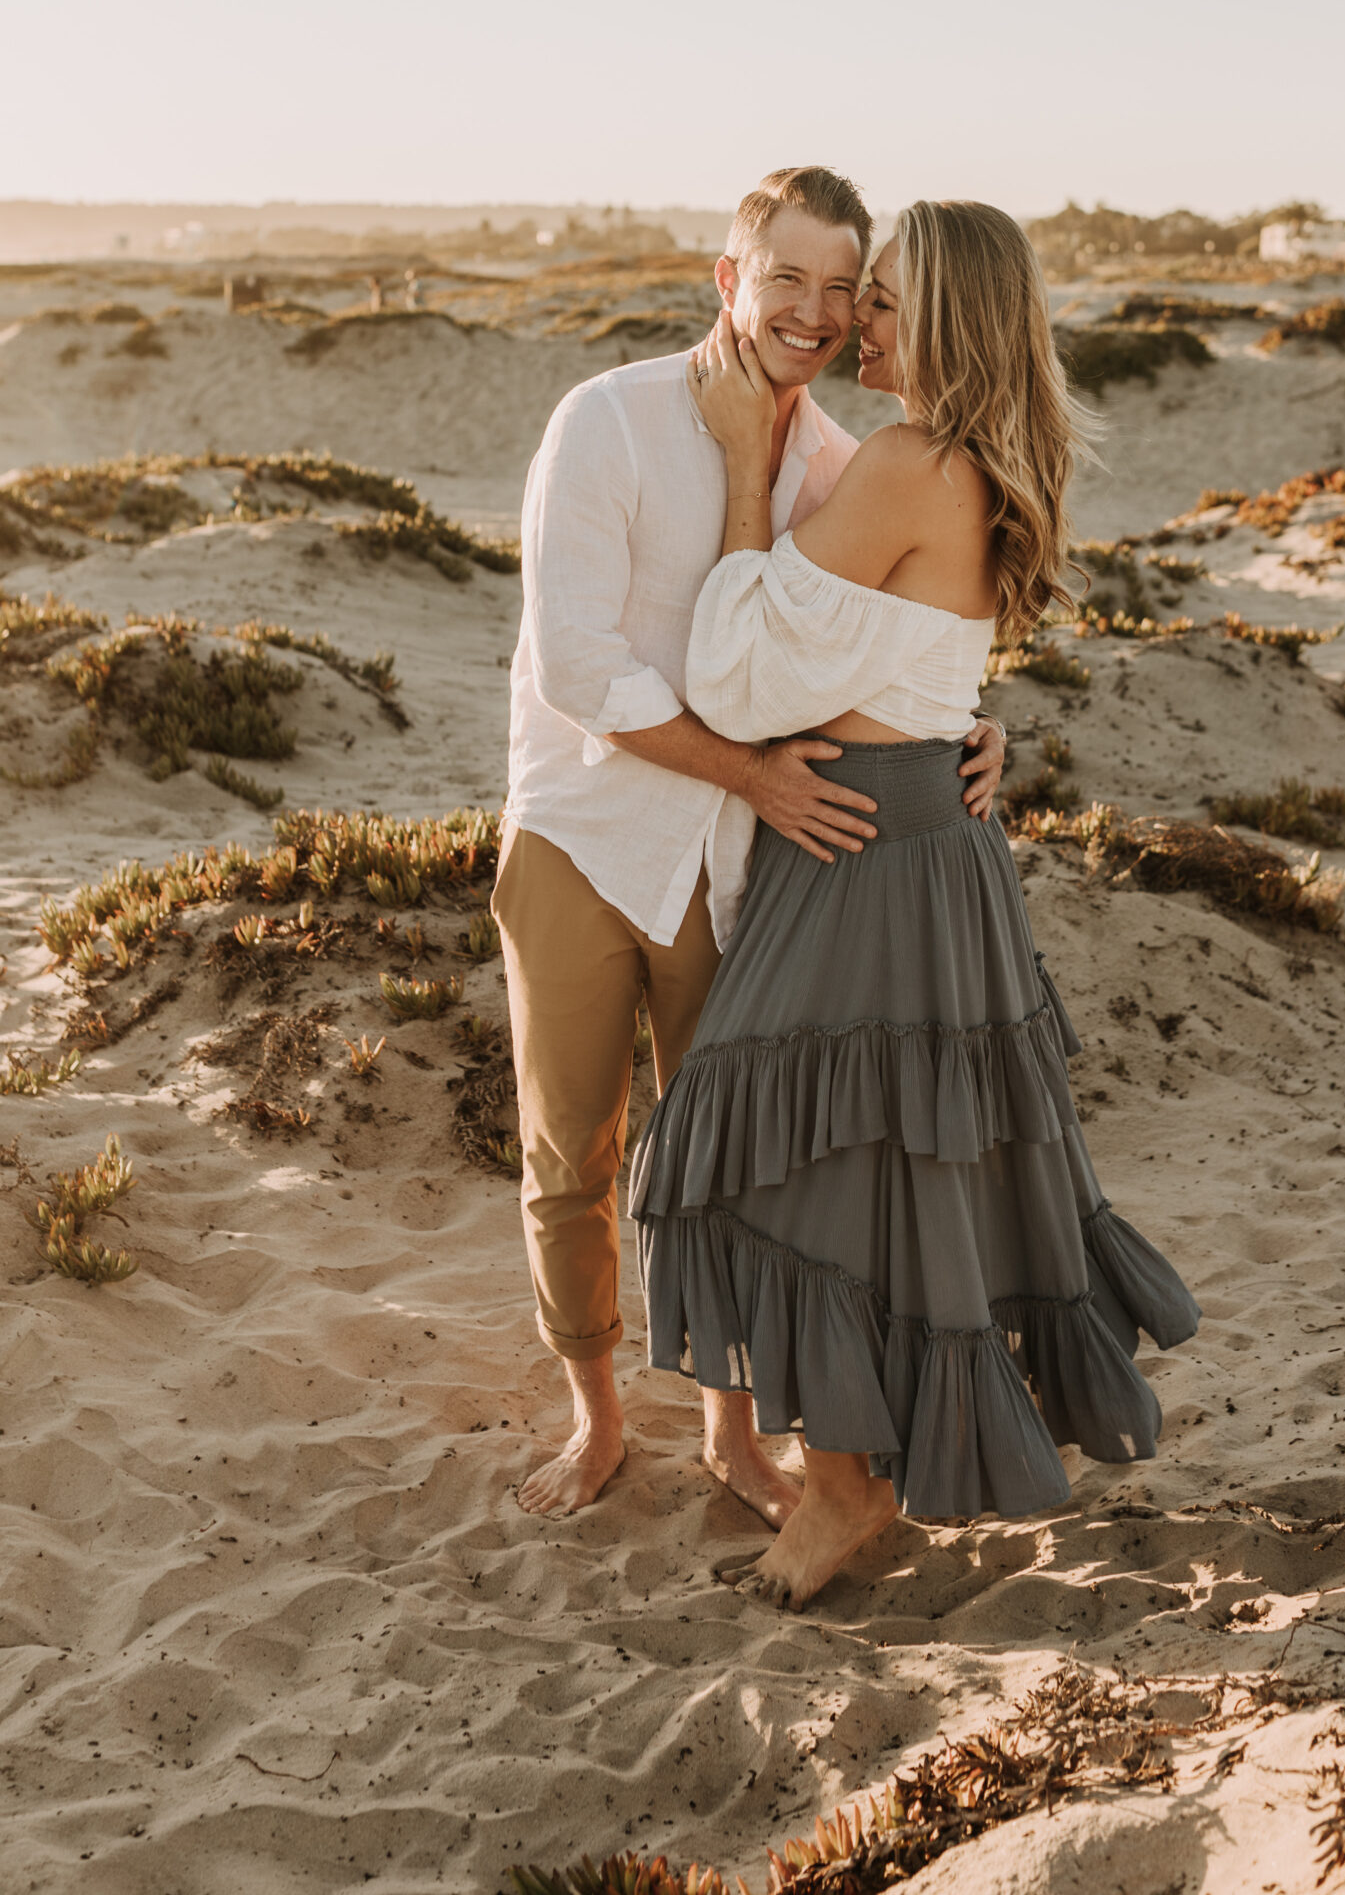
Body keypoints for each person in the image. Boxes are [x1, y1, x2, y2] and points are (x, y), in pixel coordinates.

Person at [630, 202, 1200, 1608]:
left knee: (798, 1157)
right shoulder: (994, 463)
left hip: (868, 852)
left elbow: (738, 676)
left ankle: (845, 1488)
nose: (852, 324)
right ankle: (851, 1475)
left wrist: (750, 475)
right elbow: (918, 659)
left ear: (941, 318)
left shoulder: (903, 460)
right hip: (922, 836)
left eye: (880, 302)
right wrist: (972, 729)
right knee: (889, 1166)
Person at [495, 168, 1008, 1518]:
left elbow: (889, 630)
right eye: (786, 277)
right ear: (728, 279)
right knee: (574, 1151)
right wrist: (749, 771)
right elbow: (575, 666)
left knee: (732, 1162)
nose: (815, 311)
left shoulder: (840, 463)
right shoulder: (604, 421)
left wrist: (975, 733)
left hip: (746, 867)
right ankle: (597, 1418)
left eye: (843, 288)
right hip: (586, 840)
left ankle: (731, 1436)